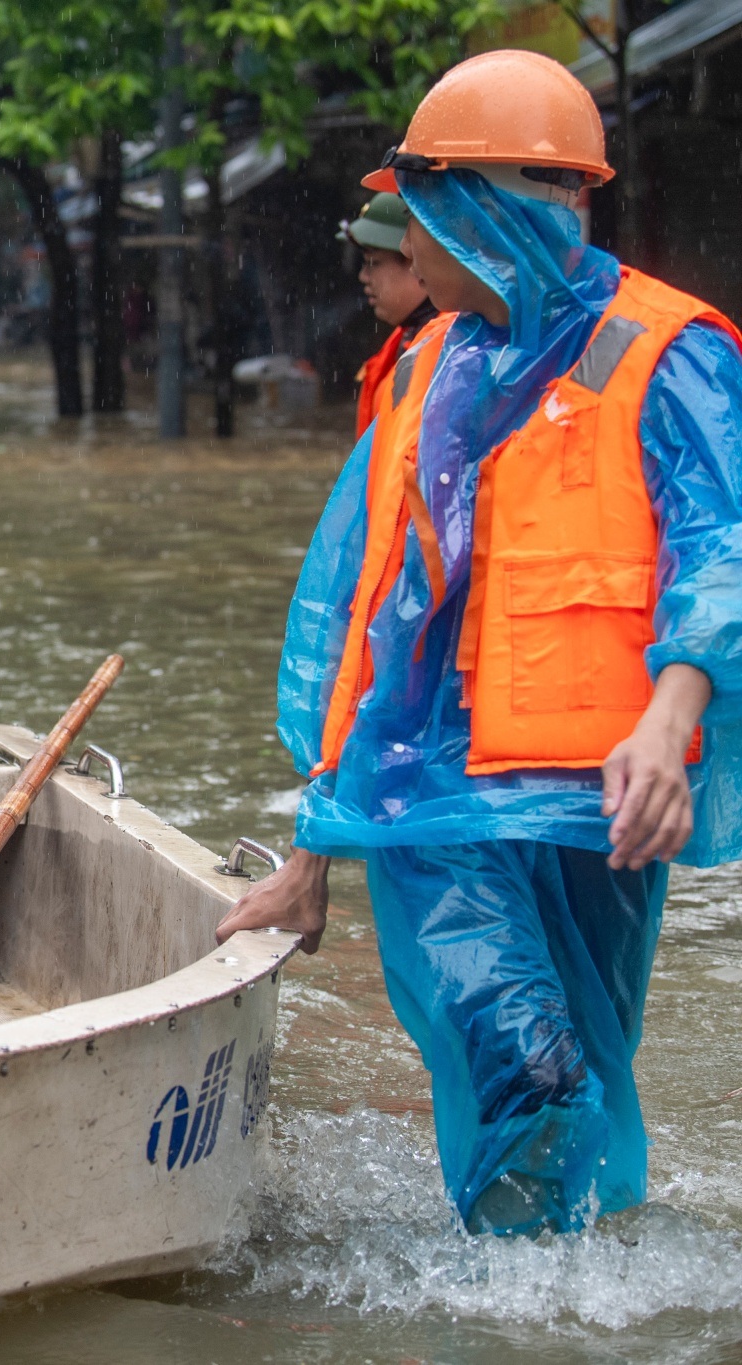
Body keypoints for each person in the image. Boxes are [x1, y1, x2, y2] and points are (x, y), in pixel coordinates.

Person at [217, 51, 742, 1237]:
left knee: (592, 1067)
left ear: (482, 212)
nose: (395, 243)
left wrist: (669, 723)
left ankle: (582, 1279)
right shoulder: (430, 366)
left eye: (419, 210)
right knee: (526, 1061)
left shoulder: (668, 352)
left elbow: (721, 547)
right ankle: (510, 1311)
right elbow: (368, 611)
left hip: (598, 786)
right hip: (425, 794)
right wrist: (315, 841)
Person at [342, 192, 439, 437]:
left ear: (414, 260)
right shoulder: (411, 337)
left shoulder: (445, 348)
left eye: (373, 263)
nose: (364, 276)